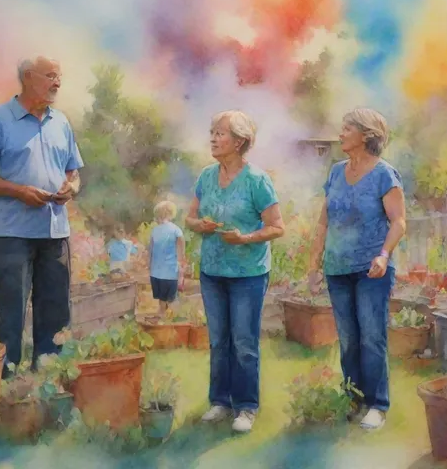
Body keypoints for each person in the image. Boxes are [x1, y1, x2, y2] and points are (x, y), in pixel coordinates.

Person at [0, 56, 83, 378]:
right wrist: (19, 191)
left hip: (55, 231)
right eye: (51, 76)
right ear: (29, 77)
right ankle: (8, 382)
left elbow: (73, 171)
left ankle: (50, 379)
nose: (57, 83)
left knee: (56, 310)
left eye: (59, 76)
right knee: (13, 311)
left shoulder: (61, 121)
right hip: (12, 233)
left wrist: (71, 187)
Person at [185, 110, 285, 433]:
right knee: (218, 340)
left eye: (220, 134)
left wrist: (245, 238)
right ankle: (219, 401)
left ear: (239, 141)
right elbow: (190, 219)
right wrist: (200, 225)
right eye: (211, 132)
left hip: (248, 274)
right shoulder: (205, 177)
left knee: (244, 341)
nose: (213, 139)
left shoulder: (257, 180)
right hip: (212, 271)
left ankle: (246, 406)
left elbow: (277, 227)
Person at [308, 108, 406, 431]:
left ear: (366, 135)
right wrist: (314, 265)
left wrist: (383, 255)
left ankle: (377, 404)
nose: (341, 132)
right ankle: (352, 397)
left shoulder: (384, 175)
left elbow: (399, 222)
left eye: (347, 127)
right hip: (337, 268)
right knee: (348, 339)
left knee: (372, 336)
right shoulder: (336, 172)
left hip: (371, 270)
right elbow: (324, 221)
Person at [148, 201, 185, 315]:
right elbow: (181, 249)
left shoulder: (155, 230)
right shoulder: (176, 230)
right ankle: (170, 317)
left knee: (162, 298)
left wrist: (149, 265)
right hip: (170, 270)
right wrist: (181, 265)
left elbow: (150, 250)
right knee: (171, 296)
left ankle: (163, 315)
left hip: (156, 271)